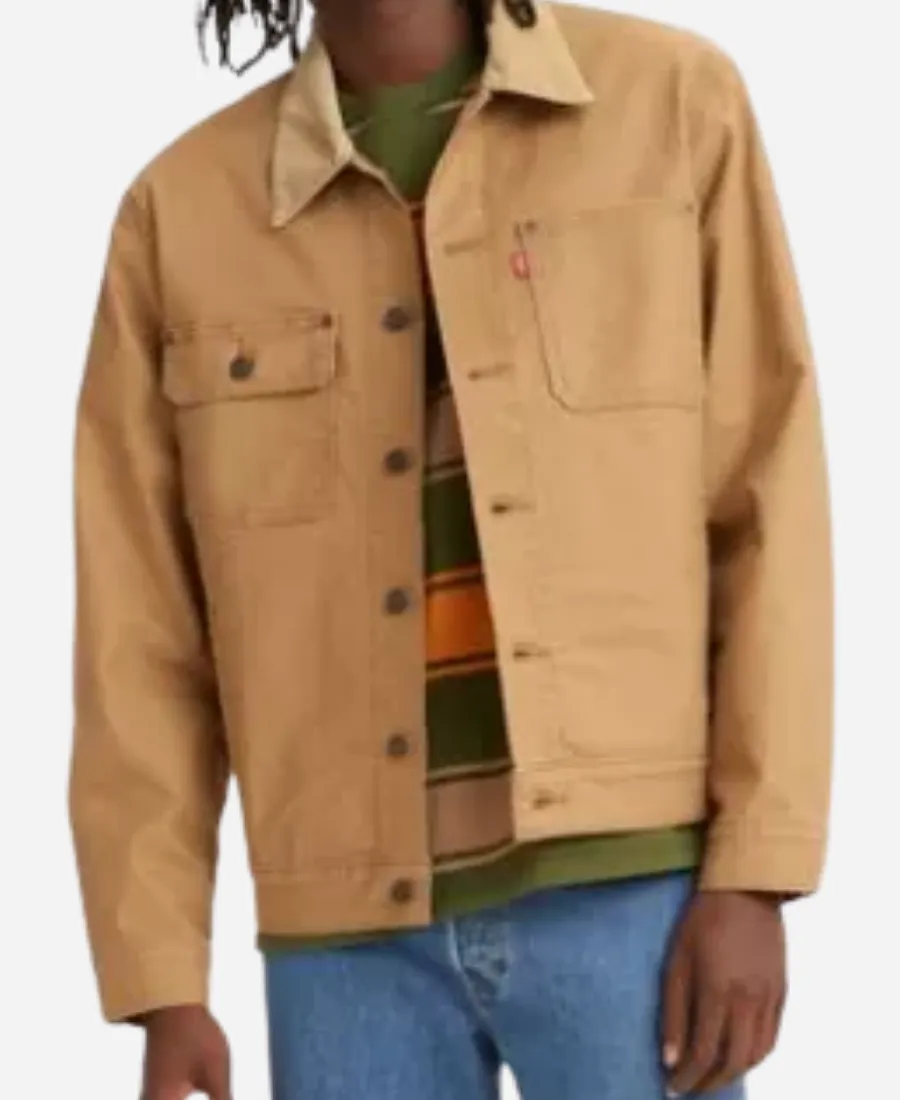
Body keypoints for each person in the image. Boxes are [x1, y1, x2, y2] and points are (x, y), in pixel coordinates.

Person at [69, 1, 833, 1097]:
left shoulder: (672, 105)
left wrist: (755, 872)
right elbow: (139, 630)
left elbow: (766, 506)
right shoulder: (180, 212)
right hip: (344, 948)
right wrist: (160, 979)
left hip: (632, 898)